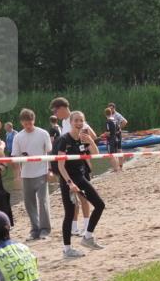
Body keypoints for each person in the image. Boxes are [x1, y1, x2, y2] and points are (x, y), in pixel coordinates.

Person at [54, 110, 106, 257]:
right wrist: (70, 183)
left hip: (81, 177)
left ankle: (87, 237)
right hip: (67, 180)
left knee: (100, 205)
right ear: (70, 123)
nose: (78, 123)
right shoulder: (64, 140)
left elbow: (95, 155)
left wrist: (90, 141)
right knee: (69, 214)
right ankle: (67, 249)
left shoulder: (83, 138)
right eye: (76, 120)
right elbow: (60, 166)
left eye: (81, 120)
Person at [50, 97, 96, 235]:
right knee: (72, 197)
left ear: (62, 108)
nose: (55, 115)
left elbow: (92, 136)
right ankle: (74, 227)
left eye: (56, 111)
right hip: (67, 166)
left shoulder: (77, 120)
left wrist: (84, 144)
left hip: (79, 164)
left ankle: (87, 226)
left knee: (83, 197)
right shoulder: (65, 122)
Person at [11, 108, 53, 240]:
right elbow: (15, 156)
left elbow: (49, 152)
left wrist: (50, 170)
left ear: (33, 120)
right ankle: (35, 229)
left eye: (29, 123)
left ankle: (45, 229)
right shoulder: (18, 136)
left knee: (43, 201)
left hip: (41, 172)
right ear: (21, 123)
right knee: (29, 203)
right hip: (26, 174)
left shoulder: (43, 133)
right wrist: (17, 175)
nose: (28, 126)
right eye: (25, 124)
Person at [104, 107, 123, 172]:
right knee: (115, 154)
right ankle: (117, 167)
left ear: (105, 114)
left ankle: (115, 169)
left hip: (111, 140)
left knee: (111, 155)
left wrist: (104, 134)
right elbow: (119, 130)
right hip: (116, 138)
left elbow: (108, 132)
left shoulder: (108, 121)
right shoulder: (115, 120)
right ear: (111, 113)